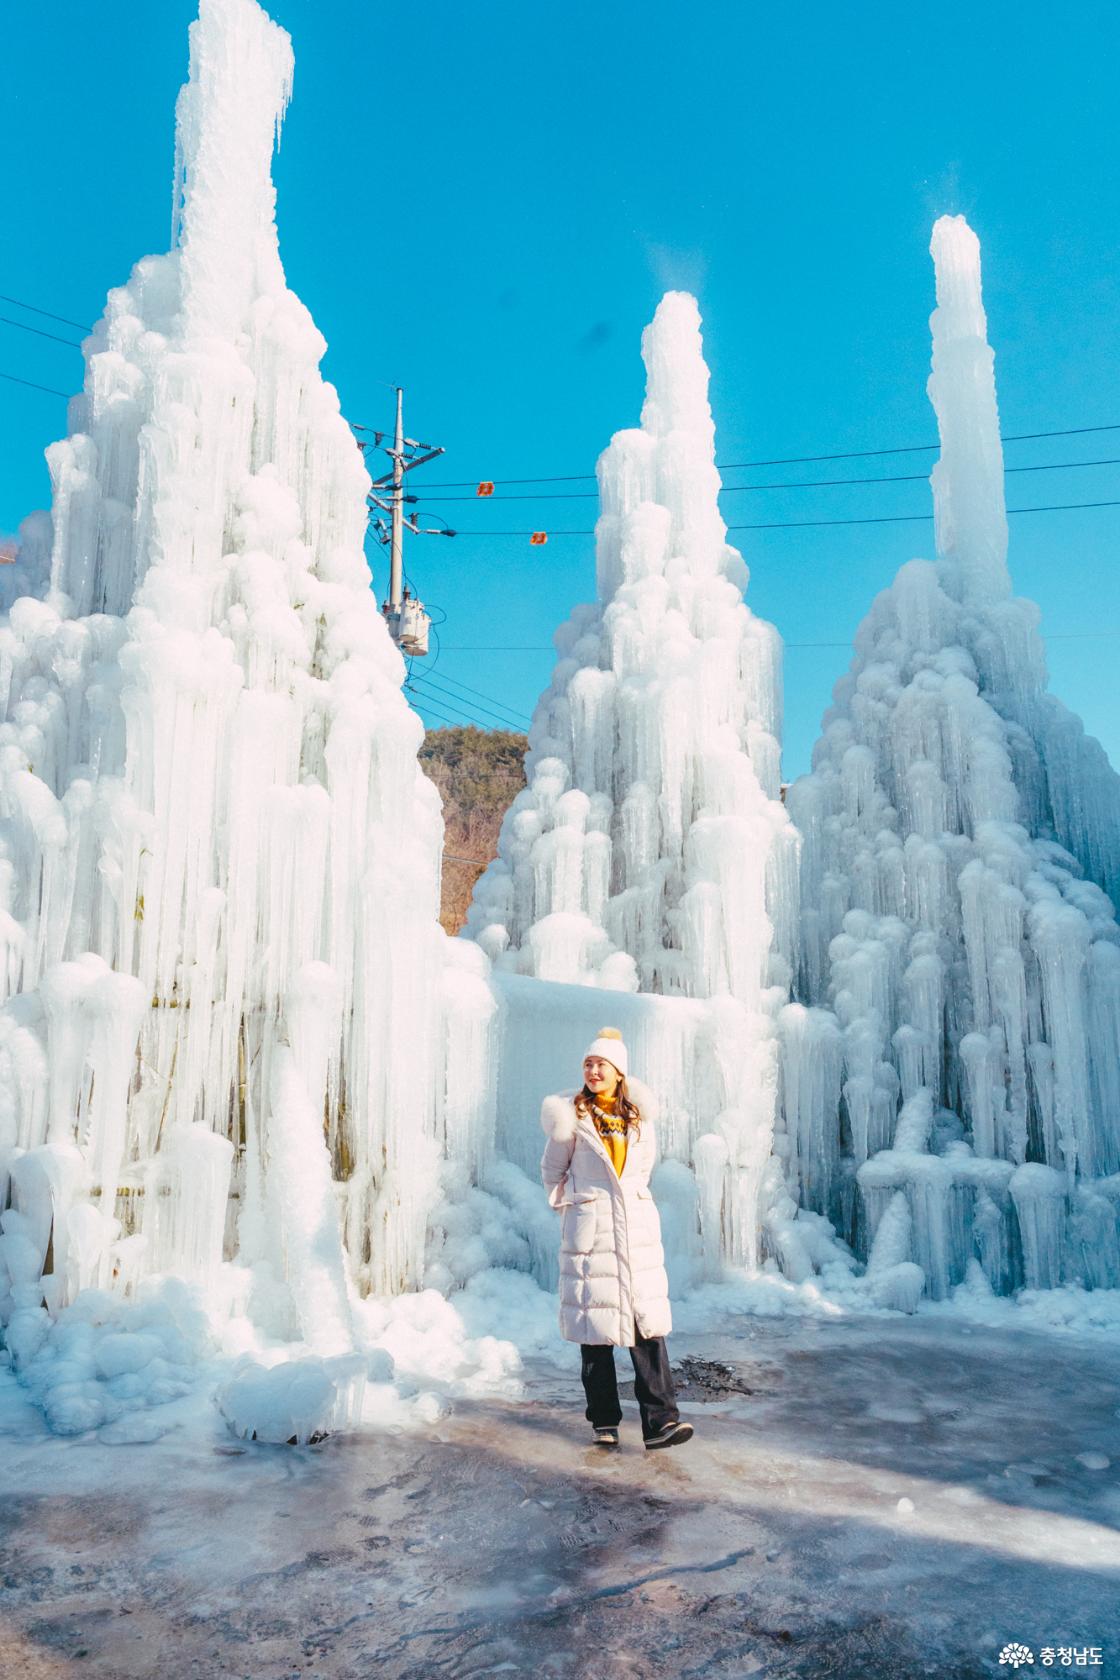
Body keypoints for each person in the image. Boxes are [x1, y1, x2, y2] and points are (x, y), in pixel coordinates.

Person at [539, 1028, 693, 1451]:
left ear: (618, 1072)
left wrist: (638, 1205)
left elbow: (640, 1176)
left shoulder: (638, 1120)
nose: (592, 1071)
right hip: (592, 1234)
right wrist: (576, 1206)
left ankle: (661, 1422)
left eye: (600, 1064)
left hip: (635, 1233)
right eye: (588, 1064)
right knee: (596, 1333)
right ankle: (603, 1420)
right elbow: (552, 1174)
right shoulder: (571, 1119)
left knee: (648, 1327)